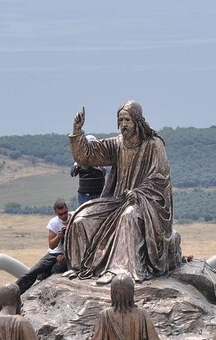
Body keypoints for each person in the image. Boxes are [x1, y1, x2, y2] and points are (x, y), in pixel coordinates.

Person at [64, 101, 175, 285]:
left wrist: (138, 193)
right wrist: (77, 132)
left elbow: (160, 179)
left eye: (127, 119)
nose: (123, 124)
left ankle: (121, 270)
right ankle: (79, 267)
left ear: (137, 121)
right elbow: (88, 155)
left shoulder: (154, 145)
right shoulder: (117, 144)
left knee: (128, 216)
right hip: (117, 200)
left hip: (145, 204)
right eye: (120, 119)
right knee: (81, 219)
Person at [16, 199, 70, 294]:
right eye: (60, 214)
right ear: (56, 213)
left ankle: (45, 273)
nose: (64, 216)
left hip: (69, 253)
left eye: (65, 212)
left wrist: (65, 254)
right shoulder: (54, 223)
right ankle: (14, 292)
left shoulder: (75, 218)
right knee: (33, 271)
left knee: (58, 268)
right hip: (54, 253)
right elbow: (52, 246)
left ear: (67, 209)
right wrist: (58, 236)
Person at [70, 136, 107, 206]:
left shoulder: (100, 157)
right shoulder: (81, 157)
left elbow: (102, 173)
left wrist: (89, 168)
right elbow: (73, 173)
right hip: (84, 194)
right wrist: (79, 164)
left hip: (98, 193)